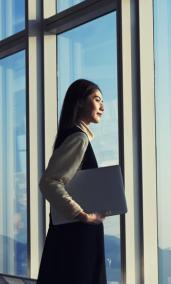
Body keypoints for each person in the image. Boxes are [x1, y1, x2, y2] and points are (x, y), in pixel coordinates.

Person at [37, 79, 107, 283]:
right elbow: (49, 183)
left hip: (70, 234)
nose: (102, 107)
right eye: (97, 99)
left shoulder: (72, 136)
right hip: (76, 238)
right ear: (79, 103)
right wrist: (81, 214)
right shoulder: (79, 138)